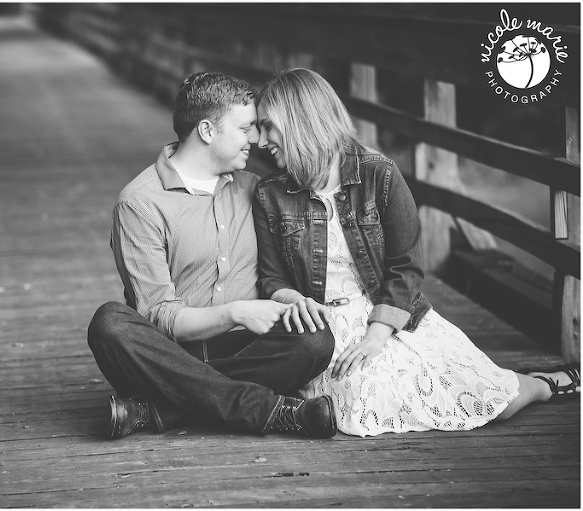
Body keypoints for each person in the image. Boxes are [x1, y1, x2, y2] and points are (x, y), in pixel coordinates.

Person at [252, 68, 580, 437]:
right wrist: (293, 299)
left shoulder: (380, 176)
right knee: (359, 402)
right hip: (322, 328)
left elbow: (406, 265)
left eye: (268, 127)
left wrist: (377, 335)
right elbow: (271, 276)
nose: (260, 140)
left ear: (299, 119)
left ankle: (547, 384)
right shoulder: (269, 194)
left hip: (388, 316)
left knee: (487, 397)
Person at [87, 71, 337, 440]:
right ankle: (272, 411)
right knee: (109, 323)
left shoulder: (256, 190)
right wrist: (234, 312)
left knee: (314, 340)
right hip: (167, 353)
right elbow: (158, 315)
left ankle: (156, 409)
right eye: (245, 128)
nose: (256, 139)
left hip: (245, 349)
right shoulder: (140, 203)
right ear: (207, 131)